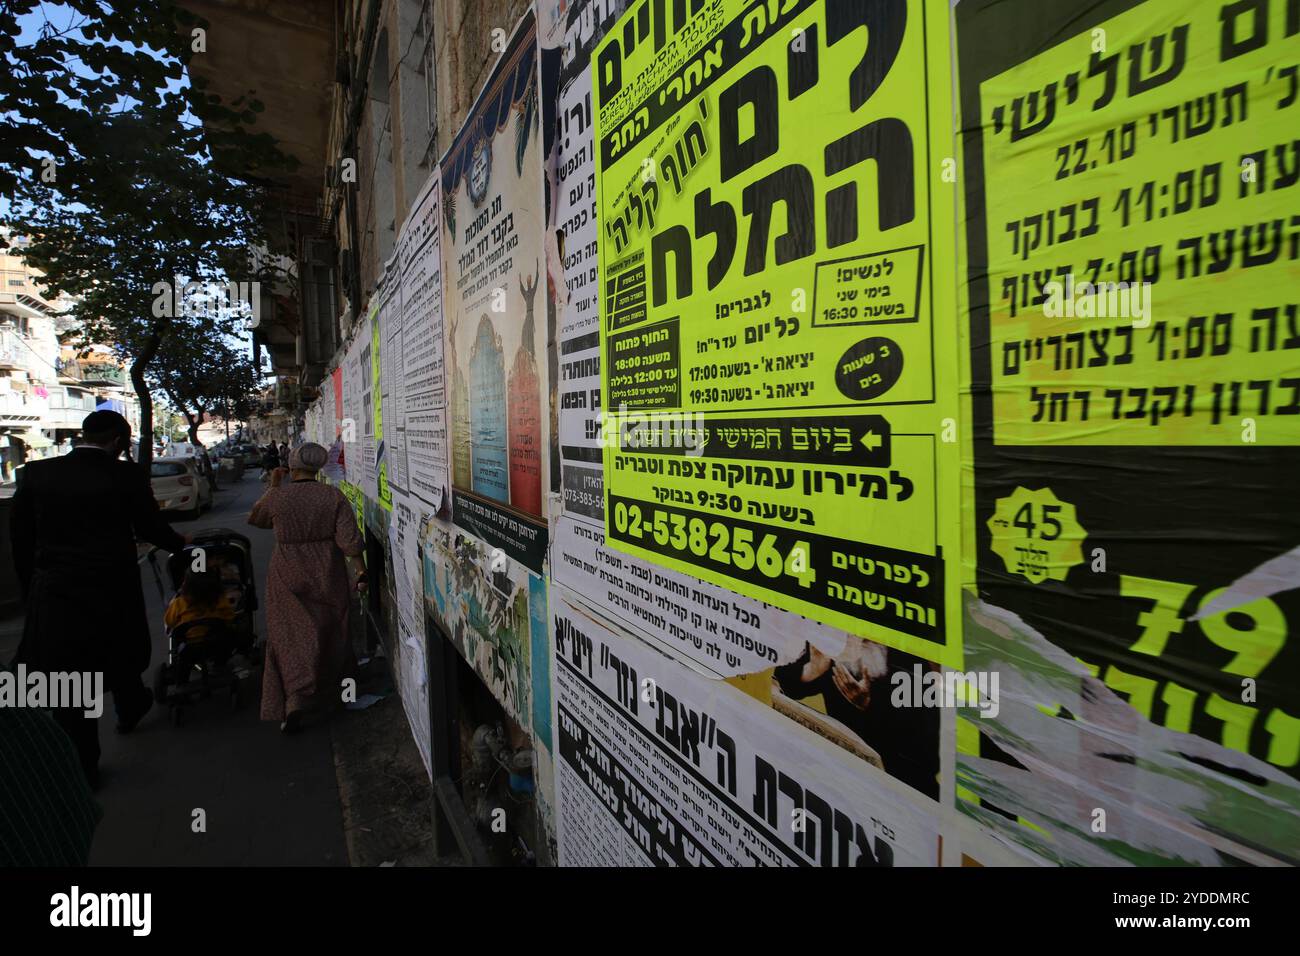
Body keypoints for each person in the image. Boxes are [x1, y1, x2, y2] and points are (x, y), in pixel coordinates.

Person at [9, 410, 187, 786]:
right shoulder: (124, 475)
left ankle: (83, 765)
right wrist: (181, 545)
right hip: (110, 587)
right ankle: (129, 706)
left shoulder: (37, 473)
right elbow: (150, 527)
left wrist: (33, 588)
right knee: (118, 651)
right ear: (120, 442)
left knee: (70, 676)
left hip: (56, 593)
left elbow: (20, 540)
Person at [248, 442, 367, 733]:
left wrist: (274, 486)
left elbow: (257, 519)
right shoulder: (332, 496)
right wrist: (361, 571)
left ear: (292, 464)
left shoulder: (280, 497)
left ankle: (295, 701)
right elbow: (350, 541)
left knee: (289, 635)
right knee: (332, 631)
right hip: (327, 571)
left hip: (286, 570)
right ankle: (334, 695)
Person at [773, 640, 940, 799]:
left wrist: (870, 706)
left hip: (908, 788)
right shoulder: (834, 643)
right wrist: (811, 670)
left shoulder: (908, 655)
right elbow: (787, 683)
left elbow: (927, 746)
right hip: (850, 781)